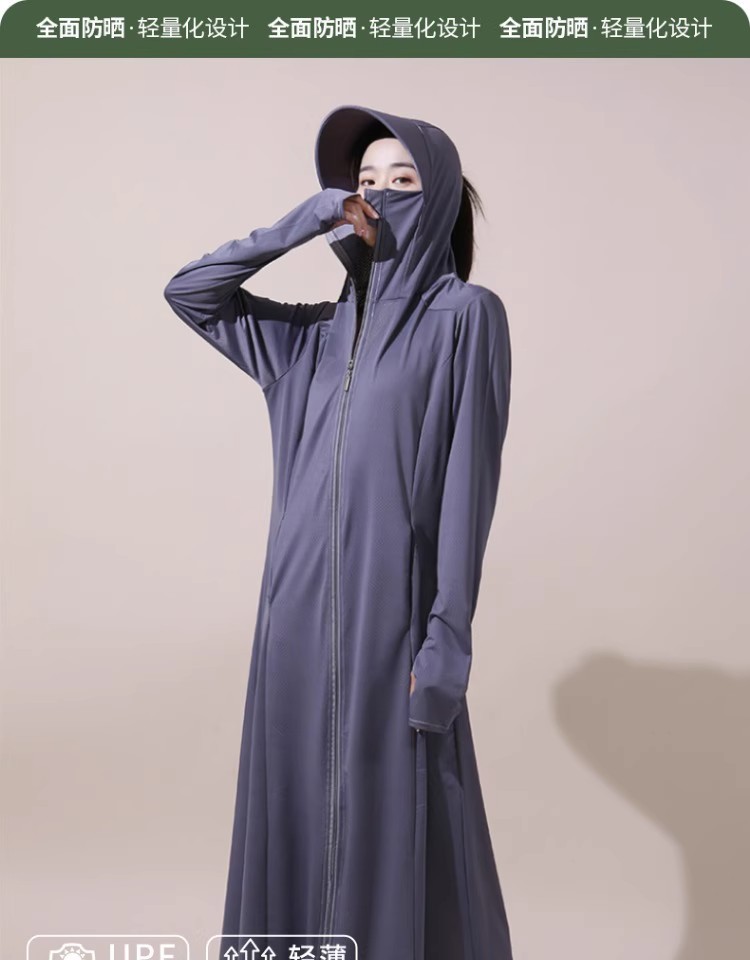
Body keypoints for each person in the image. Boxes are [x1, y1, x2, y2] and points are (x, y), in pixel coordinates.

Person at [163, 104, 514, 960]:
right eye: (364, 182)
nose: (380, 196)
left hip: (390, 623)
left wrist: (447, 641)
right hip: (290, 627)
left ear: (438, 199)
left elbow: (469, 489)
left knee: (398, 835)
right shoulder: (305, 341)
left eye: (403, 180)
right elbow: (190, 293)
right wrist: (307, 218)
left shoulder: (465, 318)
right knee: (294, 822)